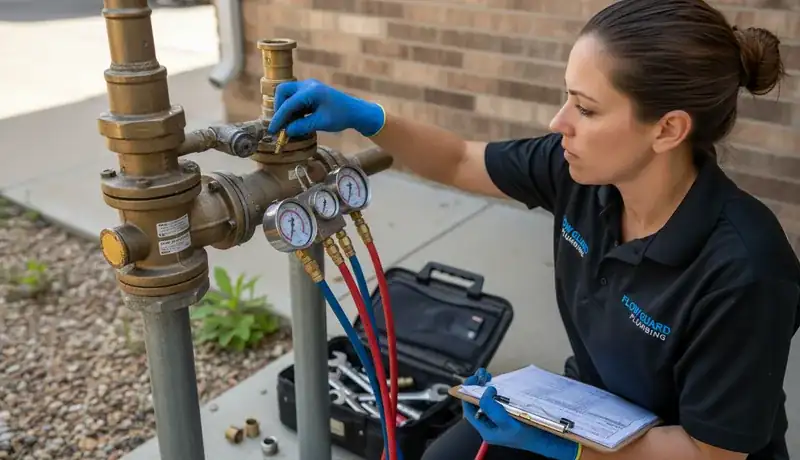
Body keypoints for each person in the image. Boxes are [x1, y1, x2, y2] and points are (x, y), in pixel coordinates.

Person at [267, 0, 800, 458]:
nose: (557, 122)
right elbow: (457, 160)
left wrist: (565, 447)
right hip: (592, 408)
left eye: (586, 109)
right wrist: (366, 117)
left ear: (668, 129)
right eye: (567, 96)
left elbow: (710, 452)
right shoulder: (582, 176)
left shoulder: (746, 270)